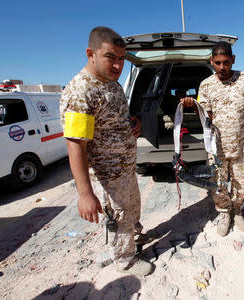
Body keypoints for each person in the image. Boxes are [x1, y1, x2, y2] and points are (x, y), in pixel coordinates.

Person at [60, 26, 153, 276]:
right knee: (119, 217)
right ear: (91, 53)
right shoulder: (81, 92)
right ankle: (125, 260)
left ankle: (130, 242)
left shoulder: (110, 83)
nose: (118, 65)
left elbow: (112, 118)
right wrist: (84, 193)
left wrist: (132, 121)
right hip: (107, 176)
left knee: (130, 211)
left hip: (124, 169)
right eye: (111, 57)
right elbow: (75, 144)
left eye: (122, 58)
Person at [181, 42, 244, 236]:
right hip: (216, 147)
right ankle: (224, 213)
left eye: (226, 62)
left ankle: (238, 211)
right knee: (218, 184)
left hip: (240, 145)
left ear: (233, 59)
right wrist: (192, 105)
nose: (222, 67)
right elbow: (204, 117)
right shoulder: (206, 85)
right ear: (211, 61)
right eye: (217, 63)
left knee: (240, 183)